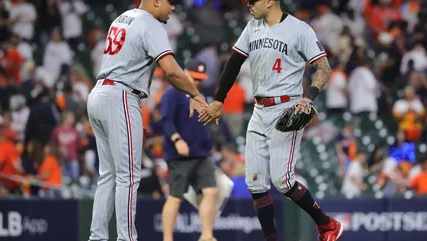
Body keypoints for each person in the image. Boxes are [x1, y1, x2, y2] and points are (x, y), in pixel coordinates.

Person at [199, 0, 343, 240]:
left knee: (282, 181)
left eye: (253, 0)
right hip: (258, 108)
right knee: (254, 183)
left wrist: (309, 98)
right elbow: (234, 62)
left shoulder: (300, 29)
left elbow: (323, 68)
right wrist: (218, 100)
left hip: (287, 107)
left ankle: (327, 224)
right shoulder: (251, 26)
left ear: (269, 1)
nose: (248, 4)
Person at [86, 1, 208, 241]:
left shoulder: (122, 17)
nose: (172, 8)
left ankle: (97, 237)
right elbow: (171, 71)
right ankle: (126, 238)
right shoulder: (150, 24)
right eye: (170, 2)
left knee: (108, 175)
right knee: (128, 176)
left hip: (99, 93)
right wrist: (196, 94)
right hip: (121, 95)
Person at [160, 59, 219, 241]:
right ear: (185, 72)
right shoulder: (173, 93)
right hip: (180, 155)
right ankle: (168, 238)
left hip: (201, 152)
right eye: (194, 77)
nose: (197, 82)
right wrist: (177, 140)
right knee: (176, 196)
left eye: (200, 79)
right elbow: (166, 120)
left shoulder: (202, 95)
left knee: (211, 191)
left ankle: (206, 235)